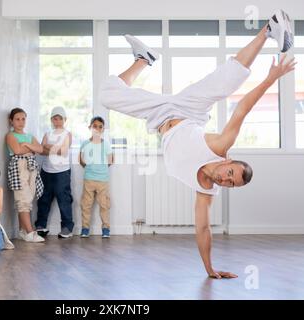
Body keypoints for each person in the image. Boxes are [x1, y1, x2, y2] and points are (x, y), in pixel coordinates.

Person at [99, 9, 296, 279]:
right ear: (228, 162)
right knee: (222, 84)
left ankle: (143, 59)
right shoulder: (219, 147)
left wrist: (210, 270)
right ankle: (269, 29)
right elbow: (242, 109)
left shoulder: (206, 190)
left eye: (231, 183)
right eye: (230, 173)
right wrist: (270, 79)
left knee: (108, 96)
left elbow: (202, 229)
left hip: (160, 118)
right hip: (187, 110)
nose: (226, 180)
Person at [6, 107, 45, 243]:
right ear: (11, 121)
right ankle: (30, 232)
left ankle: (23, 231)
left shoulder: (29, 136)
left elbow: (40, 149)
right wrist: (30, 149)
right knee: (23, 198)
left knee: (28, 198)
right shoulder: (10, 136)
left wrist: (27, 145)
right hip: (20, 167)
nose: (21, 122)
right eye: (17, 119)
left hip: (31, 167)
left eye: (23, 119)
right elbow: (16, 150)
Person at [35, 106, 74, 239]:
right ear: (52, 119)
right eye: (55, 118)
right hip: (46, 171)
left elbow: (63, 152)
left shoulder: (67, 134)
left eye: (60, 119)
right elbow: (41, 149)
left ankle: (67, 227)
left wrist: (49, 147)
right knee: (43, 199)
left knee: (64, 200)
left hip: (62, 172)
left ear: (64, 120)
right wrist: (54, 148)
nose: (57, 121)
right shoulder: (47, 133)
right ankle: (41, 225)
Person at [79, 116, 114, 238]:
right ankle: (85, 228)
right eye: (95, 126)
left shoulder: (106, 145)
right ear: (90, 127)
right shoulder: (85, 143)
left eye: (100, 127)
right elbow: (81, 160)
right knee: (86, 205)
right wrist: (90, 167)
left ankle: (105, 229)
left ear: (103, 129)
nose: (97, 129)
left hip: (102, 180)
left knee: (104, 205)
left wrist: (100, 168)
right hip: (89, 179)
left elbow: (110, 161)